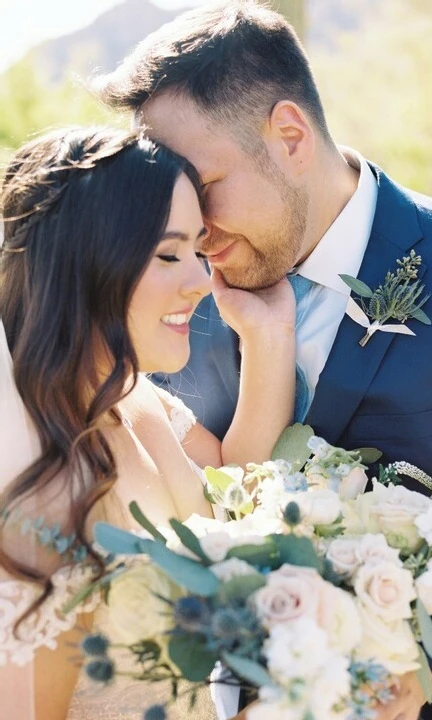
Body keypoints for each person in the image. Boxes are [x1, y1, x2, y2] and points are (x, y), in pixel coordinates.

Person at [91, 1, 432, 718]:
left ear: (290, 136)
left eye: (202, 187)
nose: (192, 229)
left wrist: (431, 683)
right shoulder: (170, 294)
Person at [0, 125, 296, 720]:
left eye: (196, 250)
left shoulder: (137, 401)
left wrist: (269, 335)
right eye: (168, 254)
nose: (199, 282)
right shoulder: (46, 497)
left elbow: (233, 482)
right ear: (86, 264)